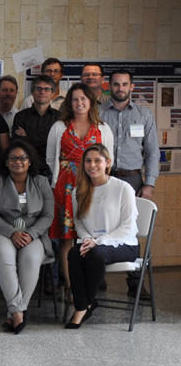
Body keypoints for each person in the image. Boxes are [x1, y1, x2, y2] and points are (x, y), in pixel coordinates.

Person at [0, 140, 54, 334]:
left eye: (23, 158)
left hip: (34, 235)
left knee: (30, 260)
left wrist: (30, 234)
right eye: (12, 158)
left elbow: (48, 216)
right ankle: (18, 312)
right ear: (6, 162)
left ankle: (13, 312)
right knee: (5, 257)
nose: (18, 161)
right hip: (1, 233)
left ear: (30, 161)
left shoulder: (41, 182)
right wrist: (12, 232)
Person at [65, 143, 139, 329]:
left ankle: (85, 305)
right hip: (94, 243)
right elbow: (79, 223)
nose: (92, 165)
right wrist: (89, 240)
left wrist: (97, 242)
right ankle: (83, 305)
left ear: (108, 163)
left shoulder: (123, 188)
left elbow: (128, 227)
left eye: (98, 160)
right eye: (88, 161)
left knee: (96, 255)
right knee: (74, 253)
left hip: (124, 244)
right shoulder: (78, 191)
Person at [46, 83, 114, 286]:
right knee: (67, 238)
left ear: (90, 101)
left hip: (94, 189)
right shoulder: (59, 127)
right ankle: (70, 285)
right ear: (69, 103)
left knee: (92, 236)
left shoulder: (103, 128)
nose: (79, 103)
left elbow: (110, 159)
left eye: (83, 98)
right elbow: (51, 159)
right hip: (66, 188)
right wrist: (65, 175)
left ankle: (90, 283)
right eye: (75, 99)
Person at [99, 69, 159, 298]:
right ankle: (98, 277)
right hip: (105, 179)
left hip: (134, 179)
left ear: (132, 87)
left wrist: (149, 183)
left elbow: (153, 153)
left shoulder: (144, 115)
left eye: (124, 84)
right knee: (101, 224)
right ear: (110, 86)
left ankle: (136, 284)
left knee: (132, 229)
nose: (120, 88)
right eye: (116, 84)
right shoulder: (99, 112)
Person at [12, 75, 59, 179]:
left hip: (51, 171)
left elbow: (59, 145)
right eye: (38, 88)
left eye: (47, 89)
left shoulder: (60, 117)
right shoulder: (21, 116)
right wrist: (46, 141)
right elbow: (18, 144)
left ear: (53, 93)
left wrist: (27, 138)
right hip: (26, 171)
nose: (42, 92)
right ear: (32, 92)